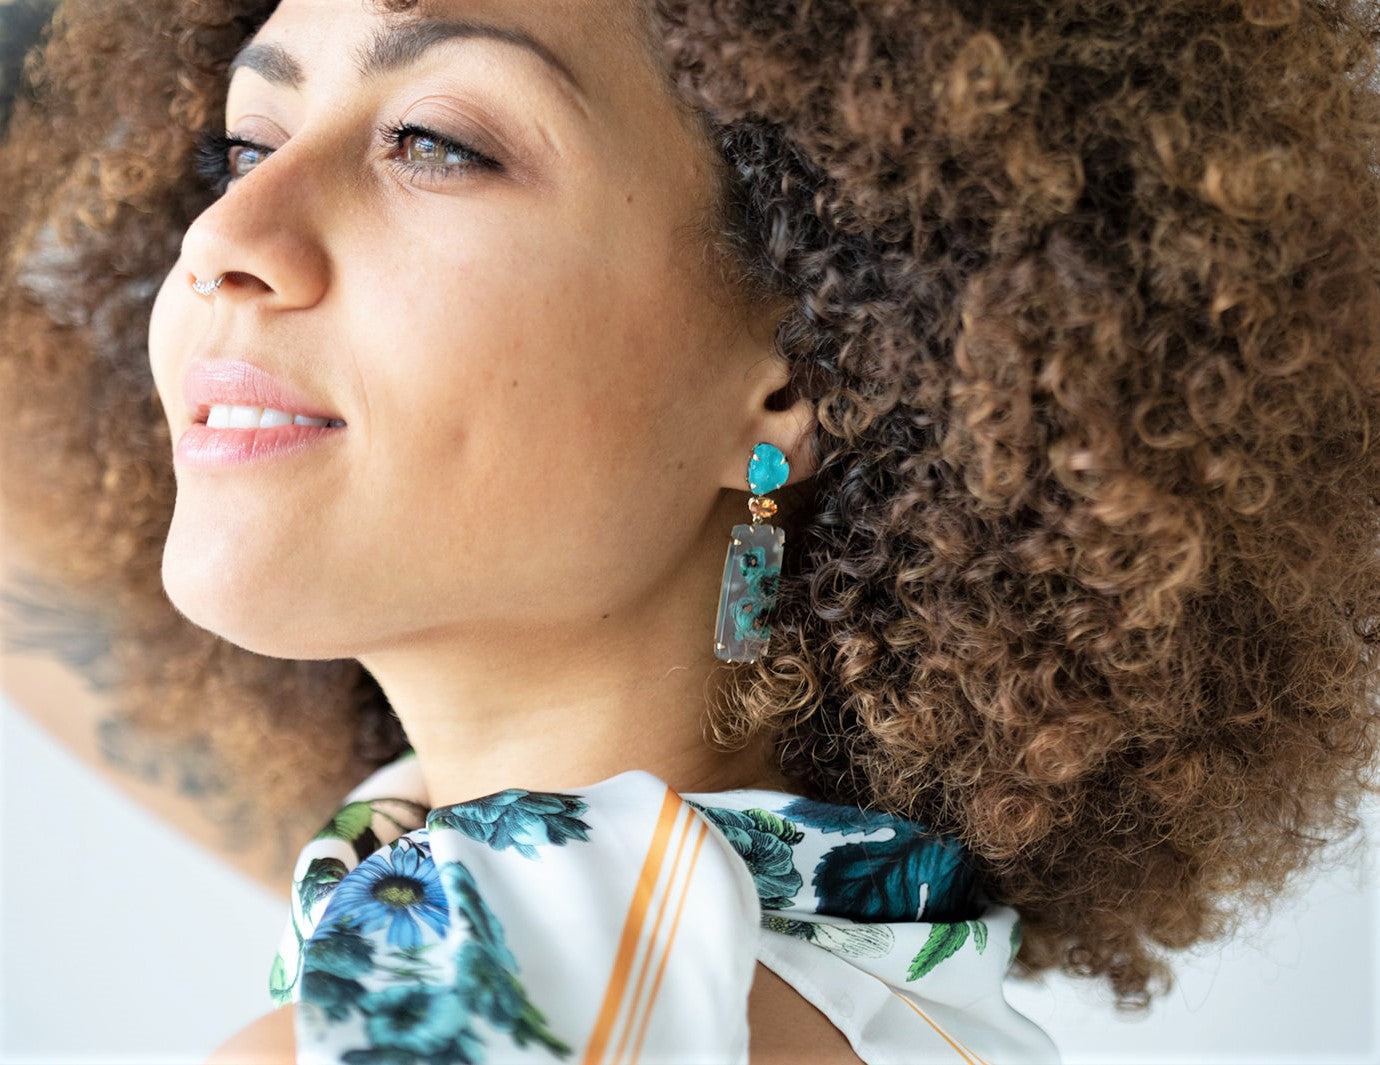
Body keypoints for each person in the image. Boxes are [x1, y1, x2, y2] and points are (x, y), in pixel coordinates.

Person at [3, 0, 1380, 1061]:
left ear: (803, 373)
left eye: (439, 143)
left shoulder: (476, 983)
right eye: (243, 144)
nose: (224, 233)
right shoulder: (866, 977)